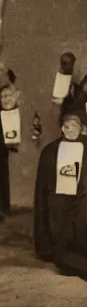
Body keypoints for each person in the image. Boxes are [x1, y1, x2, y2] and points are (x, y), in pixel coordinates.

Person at [33, 113, 87, 262]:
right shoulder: (50, 149)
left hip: (80, 194)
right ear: (62, 128)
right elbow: (45, 179)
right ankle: (57, 250)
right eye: (67, 126)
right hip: (58, 195)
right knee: (58, 220)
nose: (70, 130)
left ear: (81, 129)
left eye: (75, 126)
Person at [0, 84, 22, 220]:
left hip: (3, 151)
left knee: (2, 175)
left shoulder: (18, 112)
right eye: (2, 97)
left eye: (9, 96)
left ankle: (2, 208)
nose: (5, 99)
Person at [52, 52, 80, 121]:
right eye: (64, 63)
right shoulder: (56, 79)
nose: (69, 66)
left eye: (71, 63)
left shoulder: (76, 84)